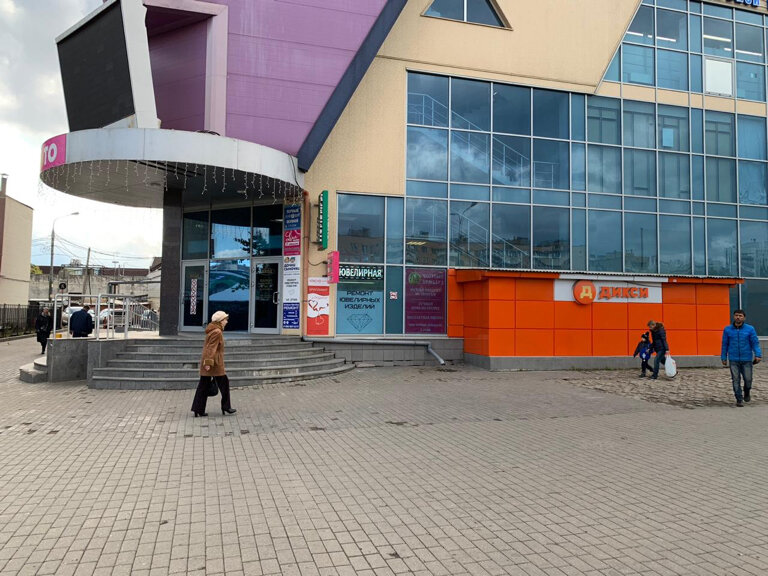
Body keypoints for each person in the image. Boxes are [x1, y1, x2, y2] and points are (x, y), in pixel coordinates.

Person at [191, 310, 236, 417]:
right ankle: (226, 407)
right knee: (224, 384)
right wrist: (208, 363)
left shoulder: (212, 330)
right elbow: (211, 348)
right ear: (220, 321)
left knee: (203, 385)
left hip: (210, 362)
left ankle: (198, 409)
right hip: (214, 364)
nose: (226, 321)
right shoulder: (217, 332)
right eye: (225, 319)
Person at [721, 309, 762, 407]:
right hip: (733, 359)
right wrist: (723, 357)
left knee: (748, 379)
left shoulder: (750, 329)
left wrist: (758, 355)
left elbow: (755, 343)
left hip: (746, 359)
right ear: (733, 317)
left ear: (744, 318)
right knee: (735, 379)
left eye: (740, 316)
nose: (738, 317)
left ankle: (747, 391)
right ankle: (739, 399)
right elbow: (724, 344)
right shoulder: (727, 329)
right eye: (736, 315)